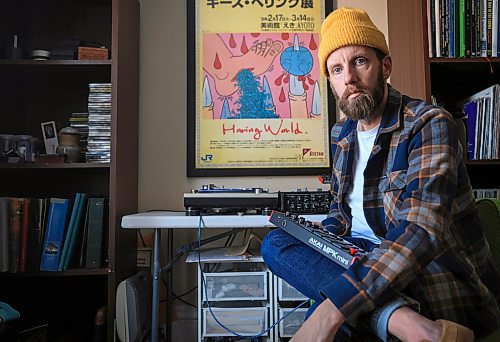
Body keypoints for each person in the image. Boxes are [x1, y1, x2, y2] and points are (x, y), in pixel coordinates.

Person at [261, 7, 500, 342]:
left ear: (385, 66)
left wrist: (333, 309)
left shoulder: (429, 123)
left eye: (360, 61)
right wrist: (323, 236)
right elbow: (341, 214)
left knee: (335, 317)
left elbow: (420, 229)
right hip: (362, 258)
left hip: (429, 272)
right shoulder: (341, 135)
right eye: (337, 69)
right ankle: (409, 324)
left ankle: (396, 319)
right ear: (330, 81)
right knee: (276, 242)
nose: (350, 78)